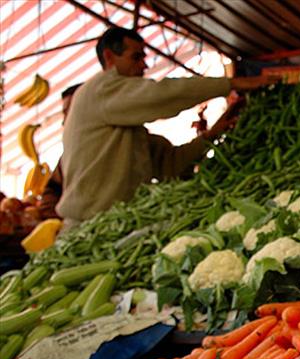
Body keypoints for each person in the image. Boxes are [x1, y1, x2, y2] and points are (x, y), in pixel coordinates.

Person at [57, 27, 276, 228]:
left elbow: (169, 164)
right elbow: (161, 94)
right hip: (89, 226)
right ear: (109, 57)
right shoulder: (99, 89)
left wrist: (211, 135)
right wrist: (231, 84)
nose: (144, 65)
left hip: (116, 223)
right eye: (136, 57)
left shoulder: (124, 125)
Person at [38, 83, 82, 219]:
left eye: (69, 112)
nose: (64, 122)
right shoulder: (70, 153)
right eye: (64, 113)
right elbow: (52, 189)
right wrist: (54, 220)